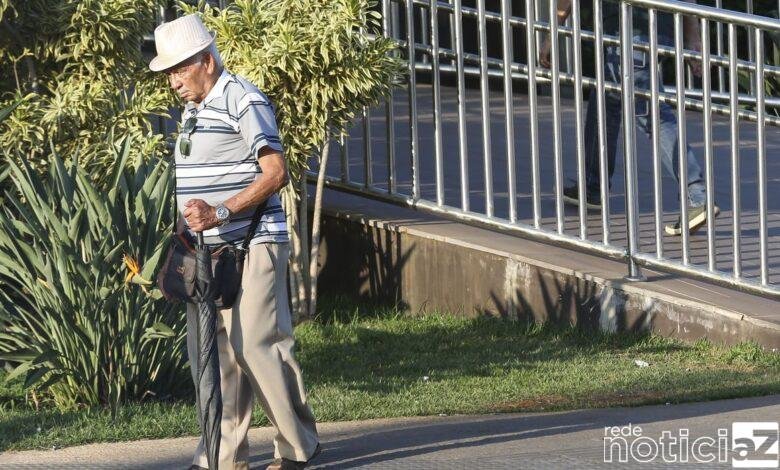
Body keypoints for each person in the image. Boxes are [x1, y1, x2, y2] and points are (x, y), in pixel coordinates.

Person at [149, 14, 320, 470]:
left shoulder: (243, 98)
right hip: (207, 250)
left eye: (179, 69)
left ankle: (298, 447)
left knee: (257, 345)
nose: (173, 81)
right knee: (212, 354)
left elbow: (276, 172)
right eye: (169, 73)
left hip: (254, 241)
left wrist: (220, 212)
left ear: (206, 61)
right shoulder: (194, 108)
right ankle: (221, 457)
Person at [540, 0, 719, 235]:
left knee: (651, 115)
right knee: (605, 102)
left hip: (630, 28)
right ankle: (593, 187)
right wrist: (693, 37)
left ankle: (697, 196)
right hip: (657, 26)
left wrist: (551, 33)